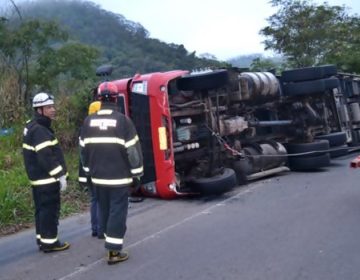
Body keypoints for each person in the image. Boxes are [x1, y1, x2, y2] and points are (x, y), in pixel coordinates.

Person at [80, 81, 143, 265]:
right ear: (116, 99)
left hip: (98, 178)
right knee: (118, 210)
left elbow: (83, 152)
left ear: (99, 99)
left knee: (105, 209)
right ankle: (114, 251)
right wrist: (137, 175)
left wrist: (87, 174)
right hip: (119, 178)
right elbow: (132, 152)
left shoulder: (88, 121)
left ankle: (108, 239)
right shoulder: (123, 121)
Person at [22, 92, 70, 253]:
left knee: (42, 211)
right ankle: (50, 243)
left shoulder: (33, 126)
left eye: (52, 106)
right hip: (46, 180)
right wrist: (60, 175)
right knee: (49, 211)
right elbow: (46, 157)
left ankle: (43, 240)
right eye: (49, 107)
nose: (53, 110)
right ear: (39, 110)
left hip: (38, 180)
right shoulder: (40, 130)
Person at [78, 100, 104, 238]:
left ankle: (95, 228)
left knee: (95, 199)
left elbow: (82, 153)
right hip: (98, 170)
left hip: (88, 171)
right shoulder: (98, 128)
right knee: (101, 199)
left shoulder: (85, 127)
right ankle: (101, 228)